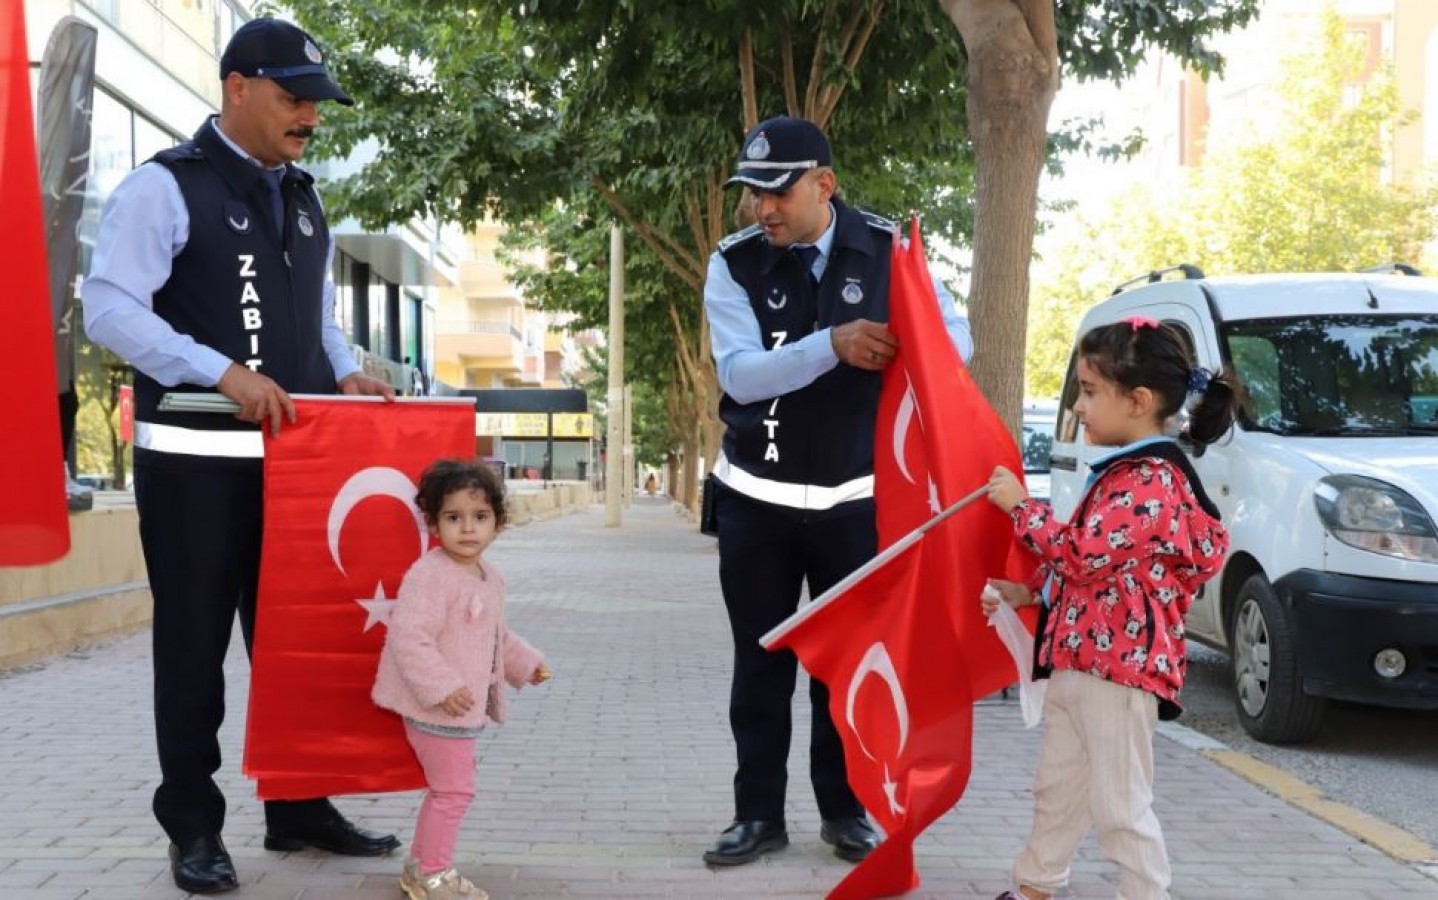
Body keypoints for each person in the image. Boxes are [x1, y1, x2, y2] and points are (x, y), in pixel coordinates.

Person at [81, 17, 400, 895]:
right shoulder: (163, 189)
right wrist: (221, 372)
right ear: (237, 89)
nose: (310, 117)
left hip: (296, 468)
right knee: (193, 649)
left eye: (316, 103)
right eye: (293, 99)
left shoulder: (304, 196)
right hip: (193, 465)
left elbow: (319, 320)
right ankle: (192, 826)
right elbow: (109, 309)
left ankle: (298, 806)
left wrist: (349, 371)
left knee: (295, 643)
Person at [701, 115, 975, 867]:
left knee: (845, 666)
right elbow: (742, 375)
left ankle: (844, 810)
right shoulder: (733, 264)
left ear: (824, 184)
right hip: (755, 498)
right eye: (752, 194)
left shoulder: (891, 251)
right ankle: (756, 815)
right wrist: (836, 344)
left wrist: (903, 342)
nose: (763, 209)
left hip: (856, 502)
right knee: (759, 665)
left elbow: (958, 343)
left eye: (777, 191)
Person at [982, 318, 1237, 900]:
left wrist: (1022, 509)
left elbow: (1085, 555)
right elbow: (1091, 569)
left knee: (1120, 805)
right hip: (1083, 665)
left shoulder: (1150, 482)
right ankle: (1036, 886)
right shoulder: (1125, 475)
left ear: (1139, 401)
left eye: (1091, 390)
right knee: (1058, 789)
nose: (1078, 404)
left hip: (1118, 674)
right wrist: (1027, 593)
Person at [372, 459, 551, 900]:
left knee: (450, 790)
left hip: (460, 708)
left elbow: (495, 635)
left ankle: (421, 866)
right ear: (433, 522)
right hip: (436, 707)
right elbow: (409, 638)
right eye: (454, 518)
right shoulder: (430, 575)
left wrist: (525, 664)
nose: (467, 529)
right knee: (453, 791)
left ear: (498, 523)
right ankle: (431, 873)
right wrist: (442, 686)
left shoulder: (488, 576)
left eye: (480, 517)